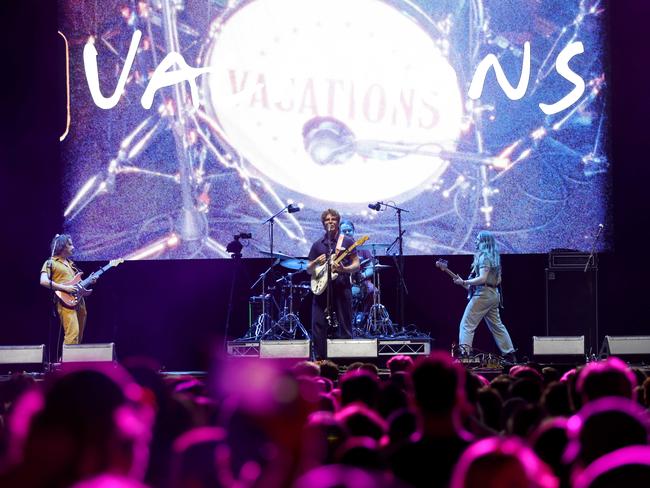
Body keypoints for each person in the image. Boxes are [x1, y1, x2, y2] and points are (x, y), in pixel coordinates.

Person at [453, 230, 516, 362]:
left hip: (484, 295)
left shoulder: (484, 257)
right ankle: (510, 355)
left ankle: (465, 356)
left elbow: (482, 279)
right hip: (493, 295)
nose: (475, 241)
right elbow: (491, 281)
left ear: (484, 242)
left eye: (478, 239)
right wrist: (465, 283)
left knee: (466, 325)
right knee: (497, 326)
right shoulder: (494, 258)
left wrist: (464, 281)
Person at [307, 209, 360, 360]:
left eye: (333, 219)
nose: (330, 221)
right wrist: (316, 262)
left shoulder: (347, 241)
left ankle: (346, 360)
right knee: (318, 325)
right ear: (323, 223)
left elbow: (357, 265)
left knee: (345, 324)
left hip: (342, 287)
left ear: (338, 222)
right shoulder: (317, 245)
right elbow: (308, 269)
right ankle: (321, 360)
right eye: (327, 219)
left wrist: (345, 269)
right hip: (322, 289)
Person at [39, 234, 93, 344]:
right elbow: (43, 281)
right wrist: (65, 288)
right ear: (62, 246)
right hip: (64, 301)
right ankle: (66, 361)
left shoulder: (71, 264)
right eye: (70, 244)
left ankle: (72, 358)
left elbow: (76, 284)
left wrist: (89, 281)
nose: (73, 247)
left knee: (79, 334)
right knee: (73, 333)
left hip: (78, 300)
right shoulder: (51, 262)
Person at [340, 220, 376, 322]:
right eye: (344, 231)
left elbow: (371, 266)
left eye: (349, 230)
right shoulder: (336, 250)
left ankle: (363, 318)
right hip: (343, 281)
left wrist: (364, 275)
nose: (347, 233)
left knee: (373, 291)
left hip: (361, 280)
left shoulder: (362, 248)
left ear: (354, 232)